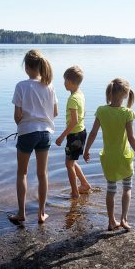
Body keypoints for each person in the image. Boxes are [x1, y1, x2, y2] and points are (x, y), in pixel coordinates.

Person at [83, 78, 135, 231]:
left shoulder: (101, 110)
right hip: (124, 157)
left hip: (109, 158)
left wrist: (86, 150)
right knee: (127, 188)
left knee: (111, 190)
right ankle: (124, 219)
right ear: (125, 95)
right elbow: (131, 138)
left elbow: (92, 133)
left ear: (110, 93)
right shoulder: (127, 113)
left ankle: (111, 221)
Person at [9, 49, 58, 225]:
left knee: (22, 173)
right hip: (45, 133)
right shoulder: (50, 86)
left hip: (27, 132)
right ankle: (41, 214)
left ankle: (21, 213)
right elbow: (55, 112)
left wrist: (24, 122)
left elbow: (17, 116)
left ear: (27, 67)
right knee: (42, 174)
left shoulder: (21, 86)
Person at [55, 66, 92, 198]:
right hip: (82, 132)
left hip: (75, 134)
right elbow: (83, 113)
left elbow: (74, 121)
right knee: (72, 161)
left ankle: (75, 192)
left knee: (68, 164)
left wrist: (61, 137)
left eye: (65, 80)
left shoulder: (72, 99)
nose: (64, 83)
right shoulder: (80, 95)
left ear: (70, 82)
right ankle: (84, 184)